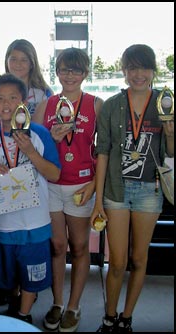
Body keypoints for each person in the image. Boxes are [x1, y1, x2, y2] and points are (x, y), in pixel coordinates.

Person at [91, 44, 174, 333]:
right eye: (132, 68)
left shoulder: (165, 102)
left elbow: (170, 154)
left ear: (153, 70)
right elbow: (103, 152)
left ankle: (126, 317)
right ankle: (109, 316)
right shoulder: (113, 104)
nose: (139, 74)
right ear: (124, 71)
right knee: (117, 261)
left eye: (144, 67)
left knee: (139, 259)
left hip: (149, 191)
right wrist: (99, 200)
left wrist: (171, 134)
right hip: (116, 188)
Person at [33, 47, 104, 332]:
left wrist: (93, 185)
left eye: (76, 70)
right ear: (57, 72)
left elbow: (105, 150)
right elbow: (34, 149)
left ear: (86, 73)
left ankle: (74, 306)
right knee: (57, 246)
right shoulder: (46, 106)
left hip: (81, 186)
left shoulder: (96, 104)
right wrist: (51, 137)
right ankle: (57, 303)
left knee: (79, 247)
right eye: (64, 69)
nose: (70, 75)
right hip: (50, 186)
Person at [0, 73, 61, 324]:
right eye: (0, 98)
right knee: (7, 275)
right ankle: (13, 306)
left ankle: (24, 314)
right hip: (4, 223)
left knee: (32, 274)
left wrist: (30, 151)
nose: (6, 103)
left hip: (35, 223)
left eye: (12, 97)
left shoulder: (39, 133)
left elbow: (54, 173)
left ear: (23, 101)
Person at [0, 39, 53, 129]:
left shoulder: (44, 93)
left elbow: (49, 129)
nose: (18, 64)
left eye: (24, 60)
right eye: (13, 59)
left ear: (32, 64)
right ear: (7, 61)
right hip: (0, 142)